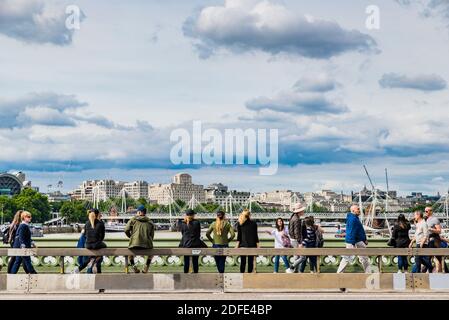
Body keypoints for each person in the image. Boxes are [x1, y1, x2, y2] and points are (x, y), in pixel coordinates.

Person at [337, 205, 371, 273]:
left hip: (357, 240)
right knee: (349, 258)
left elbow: (358, 231)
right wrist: (352, 243)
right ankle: (339, 273)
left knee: (362, 258)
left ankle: (368, 272)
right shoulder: (353, 219)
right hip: (353, 241)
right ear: (353, 210)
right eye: (357, 209)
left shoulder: (354, 217)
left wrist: (364, 239)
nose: (359, 210)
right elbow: (352, 232)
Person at [125, 205, 155, 273]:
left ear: (139, 212)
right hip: (147, 245)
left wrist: (131, 237)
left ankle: (134, 267)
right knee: (151, 254)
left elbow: (126, 230)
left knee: (130, 255)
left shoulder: (133, 220)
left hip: (134, 244)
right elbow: (152, 236)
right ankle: (146, 267)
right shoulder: (150, 222)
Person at [179, 209, 204, 273]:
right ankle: (196, 275)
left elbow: (183, 234)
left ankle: (185, 275)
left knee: (186, 262)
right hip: (195, 245)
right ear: (193, 215)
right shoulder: (197, 222)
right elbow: (198, 234)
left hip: (186, 245)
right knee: (195, 261)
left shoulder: (182, 223)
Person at [236, 209, 259, 273]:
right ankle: (249, 276)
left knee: (243, 262)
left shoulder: (240, 223)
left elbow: (239, 237)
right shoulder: (254, 223)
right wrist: (258, 246)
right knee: (250, 262)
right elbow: (255, 236)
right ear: (249, 215)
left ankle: (242, 275)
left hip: (243, 245)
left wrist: (236, 246)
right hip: (252, 245)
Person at [84, 209, 106, 274]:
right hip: (96, 244)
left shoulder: (87, 223)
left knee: (92, 256)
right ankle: (95, 261)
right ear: (97, 214)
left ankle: (93, 260)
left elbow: (85, 234)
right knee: (104, 246)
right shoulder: (100, 223)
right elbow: (102, 236)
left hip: (87, 245)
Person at [288, 203, 307, 271]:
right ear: (300, 211)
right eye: (303, 210)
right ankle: (292, 267)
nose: (304, 211)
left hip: (292, 239)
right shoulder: (297, 219)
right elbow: (297, 232)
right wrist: (300, 242)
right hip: (296, 240)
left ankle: (294, 272)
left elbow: (290, 230)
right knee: (303, 257)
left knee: (296, 257)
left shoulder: (292, 217)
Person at [425, 207, 442, 272]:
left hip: (435, 239)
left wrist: (430, 229)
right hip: (429, 239)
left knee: (436, 257)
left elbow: (439, 231)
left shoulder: (435, 219)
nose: (425, 212)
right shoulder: (426, 219)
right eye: (425, 211)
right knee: (429, 257)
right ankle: (431, 270)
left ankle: (438, 272)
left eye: (427, 211)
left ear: (431, 211)